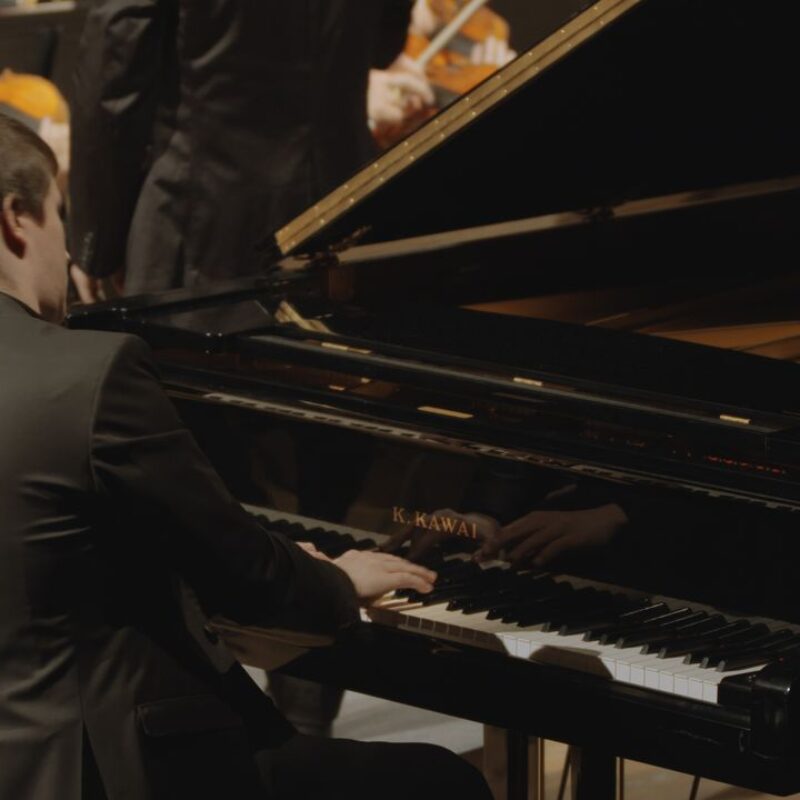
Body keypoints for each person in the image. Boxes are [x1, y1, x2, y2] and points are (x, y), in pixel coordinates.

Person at [0, 113, 491, 800]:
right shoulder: (87, 376)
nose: (71, 257)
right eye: (60, 215)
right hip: (107, 775)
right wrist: (339, 582)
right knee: (442, 783)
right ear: (15, 219)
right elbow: (246, 573)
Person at [68, 1, 415, 300]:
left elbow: (114, 75)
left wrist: (99, 241)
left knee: (188, 374)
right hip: (344, 208)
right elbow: (385, 45)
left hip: (200, 224)